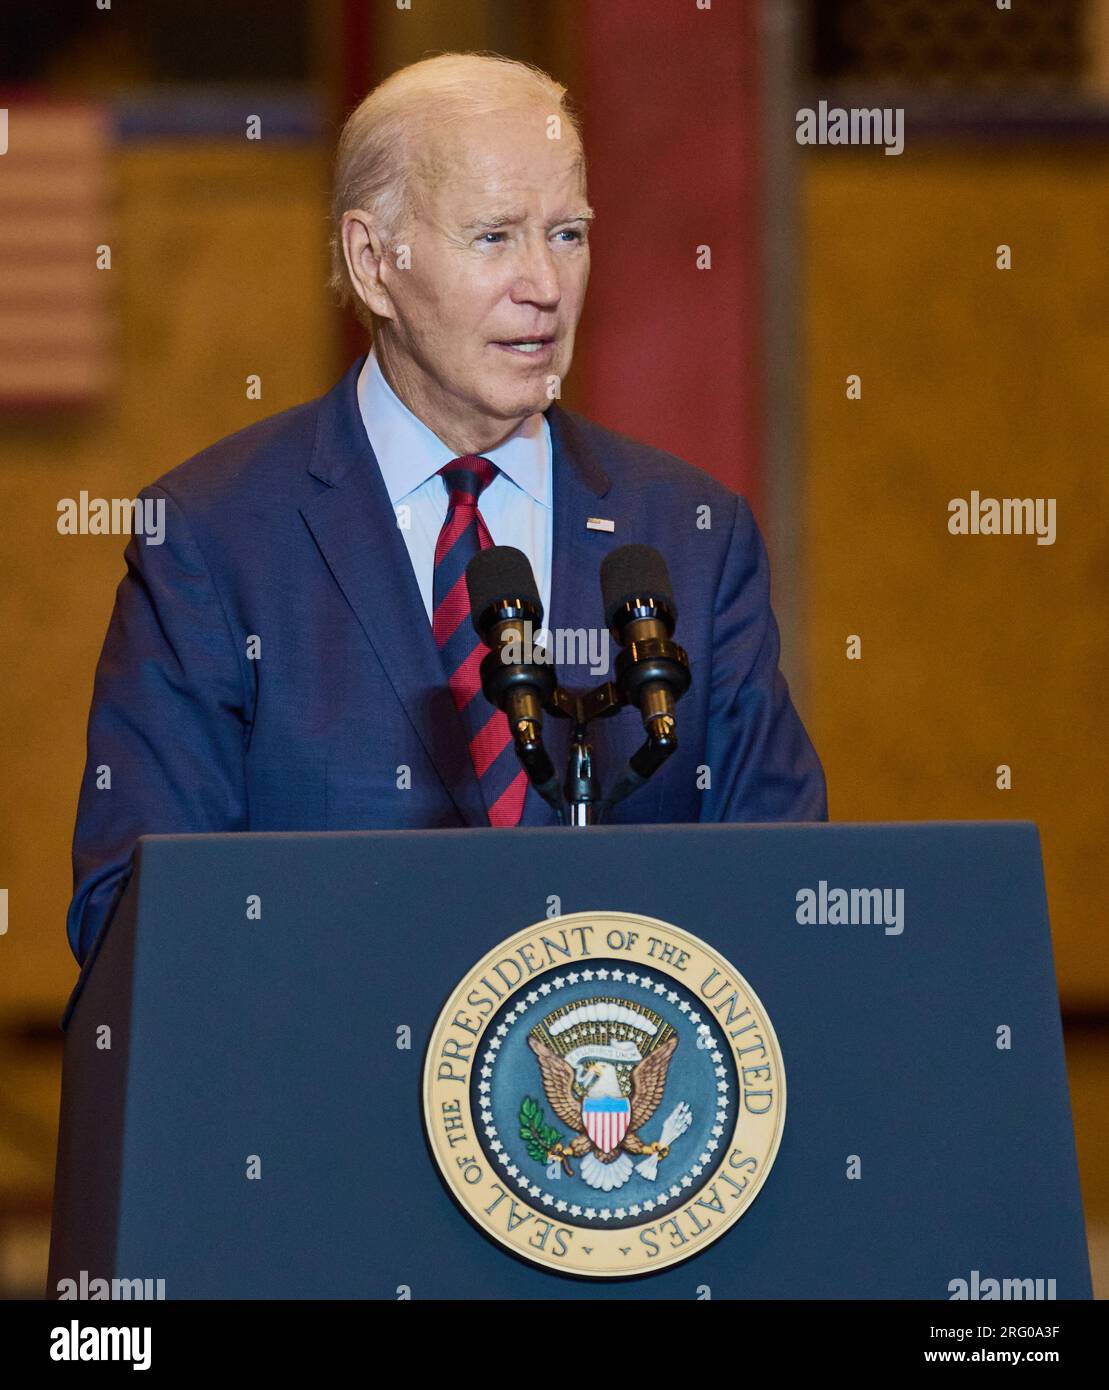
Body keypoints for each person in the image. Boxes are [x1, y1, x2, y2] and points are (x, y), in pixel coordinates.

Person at [66, 52, 826, 966]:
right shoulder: (213, 542)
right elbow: (129, 920)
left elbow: (792, 905)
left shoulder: (693, 540)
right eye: (495, 236)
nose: (544, 285)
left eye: (569, 234)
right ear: (373, 262)